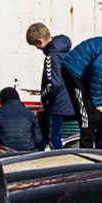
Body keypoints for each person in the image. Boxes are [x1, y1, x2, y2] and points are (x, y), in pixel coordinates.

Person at [27, 22, 74, 150]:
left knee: (54, 137)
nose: (37, 48)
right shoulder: (66, 51)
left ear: (39, 42)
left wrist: (43, 95)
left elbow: (54, 83)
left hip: (58, 104)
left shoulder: (50, 57)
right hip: (72, 100)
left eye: (35, 45)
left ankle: (59, 163)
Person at [0, 87, 43, 151]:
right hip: (28, 151)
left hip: (6, 151)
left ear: (2, 99)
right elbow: (38, 137)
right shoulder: (29, 113)